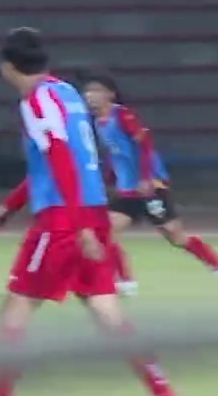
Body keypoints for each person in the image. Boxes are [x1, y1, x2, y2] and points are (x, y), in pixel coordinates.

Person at [0, 28, 190, 396]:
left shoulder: (36, 102)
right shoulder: (67, 94)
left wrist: (77, 226)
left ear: (8, 67)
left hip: (63, 220)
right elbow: (63, 160)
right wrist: (12, 204)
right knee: (108, 313)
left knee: (15, 311)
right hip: (91, 210)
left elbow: (61, 160)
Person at [80, 73, 217, 294]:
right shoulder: (96, 121)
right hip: (127, 190)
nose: (90, 95)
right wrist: (107, 179)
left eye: (96, 90)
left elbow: (145, 144)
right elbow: (116, 154)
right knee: (106, 230)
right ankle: (125, 281)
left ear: (110, 94)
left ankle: (214, 262)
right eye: (88, 90)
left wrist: (145, 177)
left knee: (175, 235)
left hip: (149, 185)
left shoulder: (122, 115)